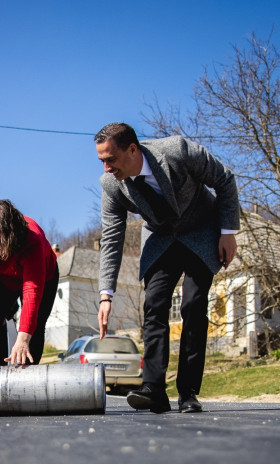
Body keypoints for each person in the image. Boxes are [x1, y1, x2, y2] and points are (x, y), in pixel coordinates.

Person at [94, 122, 239, 414]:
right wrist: (106, 294)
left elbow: (224, 179)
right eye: (102, 161)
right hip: (161, 236)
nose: (107, 168)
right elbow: (112, 237)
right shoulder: (111, 185)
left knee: (193, 306)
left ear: (132, 149)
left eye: (111, 159)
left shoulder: (177, 151)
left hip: (201, 229)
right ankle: (154, 390)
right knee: (155, 304)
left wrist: (227, 232)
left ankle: (188, 392)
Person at [0, 199, 59, 366]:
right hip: (2, 276)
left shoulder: (32, 240)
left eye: (1, 239)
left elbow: (32, 292)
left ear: (12, 234)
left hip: (42, 277)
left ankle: (25, 380)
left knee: (34, 327)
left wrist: (23, 338)